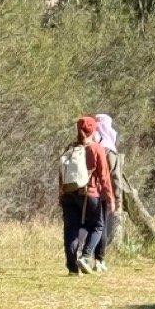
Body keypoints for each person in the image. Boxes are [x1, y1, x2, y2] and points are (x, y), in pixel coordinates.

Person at [59, 115, 116, 275]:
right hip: (90, 194)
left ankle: (72, 268)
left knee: (71, 229)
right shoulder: (97, 148)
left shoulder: (70, 147)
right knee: (98, 226)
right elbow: (104, 176)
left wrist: (61, 193)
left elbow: (61, 172)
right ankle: (85, 257)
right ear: (94, 130)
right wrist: (110, 198)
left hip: (69, 194)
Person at [91, 113, 123, 273]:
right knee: (100, 227)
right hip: (103, 193)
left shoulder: (89, 146)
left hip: (85, 193)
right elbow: (116, 178)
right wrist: (117, 200)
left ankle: (81, 256)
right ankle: (99, 260)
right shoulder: (110, 150)